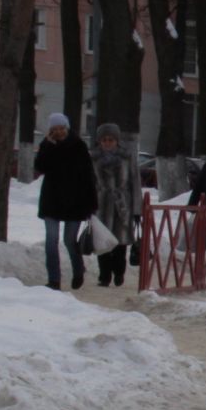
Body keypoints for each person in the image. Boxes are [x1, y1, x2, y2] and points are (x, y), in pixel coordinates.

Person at [33, 113, 96, 290]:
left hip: (75, 202)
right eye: (55, 129)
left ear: (67, 128)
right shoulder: (47, 145)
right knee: (51, 240)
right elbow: (40, 167)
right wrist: (47, 146)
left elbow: (88, 176)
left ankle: (78, 269)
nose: (59, 132)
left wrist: (91, 203)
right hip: (51, 201)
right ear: (51, 131)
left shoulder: (78, 145)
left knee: (69, 240)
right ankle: (54, 279)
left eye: (61, 128)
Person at [90, 124, 136, 288]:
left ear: (117, 141)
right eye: (104, 140)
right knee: (102, 242)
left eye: (111, 140)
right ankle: (104, 276)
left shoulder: (127, 157)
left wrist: (137, 209)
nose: (107, 143)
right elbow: (89, 183)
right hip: (100, 204)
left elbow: (134, 182)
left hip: (122, 204)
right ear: (99, 141)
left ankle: (119, 273)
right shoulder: (93, 158)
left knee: (120, 243)